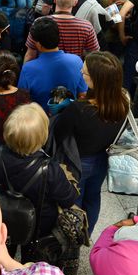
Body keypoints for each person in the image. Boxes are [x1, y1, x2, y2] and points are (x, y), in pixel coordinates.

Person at [0, 103, 80, 271]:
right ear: (42, 136)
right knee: (33, 257)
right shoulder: (49, 169)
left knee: (5, 249)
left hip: (3, 216)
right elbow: (68, 198)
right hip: (39, 225)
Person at [54, 51, 128, 233]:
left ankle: (75, 235)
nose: (81, 73)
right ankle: (89, 231)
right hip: (103, 159)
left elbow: (59, 134)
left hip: (78, 163)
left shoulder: (77, 110)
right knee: (93, 196)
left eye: (85, 72)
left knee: (75, 200)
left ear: (97, 80)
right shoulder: (123, 101)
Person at [19, 16, 88, 112]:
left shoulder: (28, 69)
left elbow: (22, 101)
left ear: (38, 44)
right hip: (70, 118)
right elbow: (82, 94)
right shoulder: (77, 61)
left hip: (40, 122)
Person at [25, 0, 99, 62]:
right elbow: (94, 56)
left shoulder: (39, 23)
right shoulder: (86, 27)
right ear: (75, 2)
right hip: (73, 72)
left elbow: (30, 55)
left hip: (44, 71)